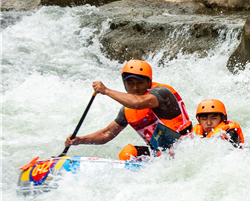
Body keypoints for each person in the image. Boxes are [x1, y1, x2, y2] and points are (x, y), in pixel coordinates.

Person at [65, 59, 193, 160]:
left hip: (185, 149)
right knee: (127, 153)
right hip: (161, 155)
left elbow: (138, 103)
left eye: (140, 83)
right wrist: (80, 140)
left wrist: (107, 91)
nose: (135, 87)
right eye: (130, 83)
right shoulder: (126, 110)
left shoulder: (162, 93)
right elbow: (107, 134)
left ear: (148, 82)